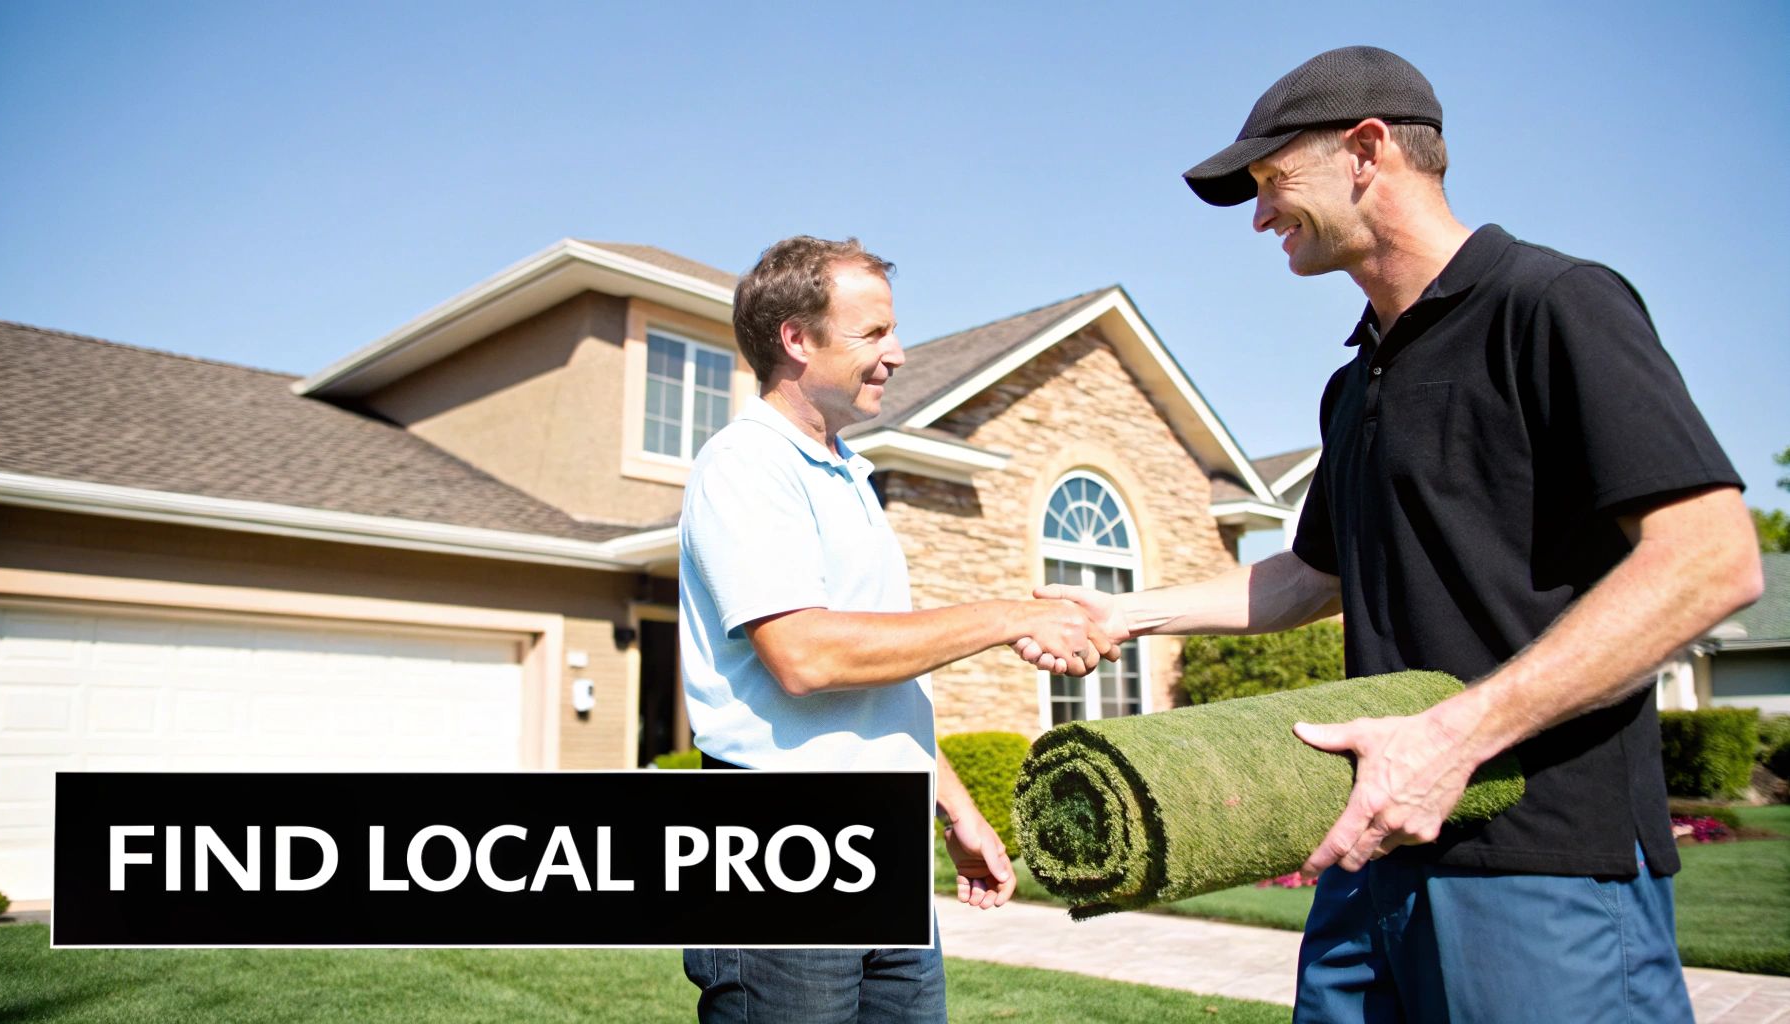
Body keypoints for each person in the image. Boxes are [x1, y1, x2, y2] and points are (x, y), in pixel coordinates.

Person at [1034, 46, 1763, 1023]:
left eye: (1270, 181)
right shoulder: (1354, 383)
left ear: (1365, 150)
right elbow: (1308, 576)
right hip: (1370, 846)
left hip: (1537, 854)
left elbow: (1709, 558)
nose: (1258, 215)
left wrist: (1452, 737)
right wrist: (1123, 611)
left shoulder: (1551, 307)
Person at [678, 235, 1117, 1023]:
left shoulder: (848, 473)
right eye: (873, 333)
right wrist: (1006, 615)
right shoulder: (746, 466)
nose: (899, 353)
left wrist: (955, 808)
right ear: (797, 340)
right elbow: (805, 656)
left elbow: (873, 682)